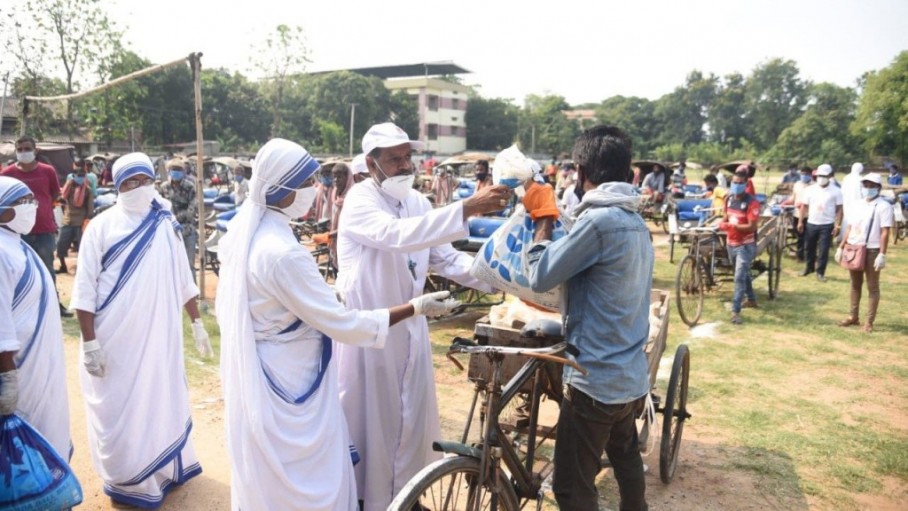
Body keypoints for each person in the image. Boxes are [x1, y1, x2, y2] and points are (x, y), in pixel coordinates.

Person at [215, 138, 458, 511]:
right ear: (284, 189)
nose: (316, 188)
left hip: (272, 365)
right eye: (309, 181)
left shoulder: (251, 235)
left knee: (279, 472)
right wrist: (415, 307)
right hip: (291, 377)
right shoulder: (282, 254)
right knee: (308, 476)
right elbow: (344, 324)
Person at [335, 122, 510, 510]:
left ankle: (404, 495)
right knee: (370, 426)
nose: (404, 165)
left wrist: (500, 279)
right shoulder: (360, 200)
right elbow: (396, 235)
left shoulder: (417, 202)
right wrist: (465, 207)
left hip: (412, 329)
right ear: (371, 163)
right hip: (371, 332)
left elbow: (444, 256)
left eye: (407, 156)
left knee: (410, 422)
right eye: (394, 159)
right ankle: (366, 500)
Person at [70, 152, 212, 509]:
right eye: (129, 183)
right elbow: (84, 290)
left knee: (159, 397)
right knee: (119, 407)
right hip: (114, 340)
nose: (138, 188)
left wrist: (197, 323)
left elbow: (183, 279)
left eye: (144, 180)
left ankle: (162, 470)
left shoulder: (165, 224)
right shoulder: (102, 227)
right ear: (117, 186)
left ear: (153, 181)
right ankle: (128, 477)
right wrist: (89, 343)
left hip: (160, 338)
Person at [526, 125, 651, 511]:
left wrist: (543, 220)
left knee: (573, 489)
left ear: (580, 173)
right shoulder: (636, 223)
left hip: (594, 380)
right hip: (629, 375)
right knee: (627, 459)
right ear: (629, 174)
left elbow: (541, 276)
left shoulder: (599, 222)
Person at [0, 176, 72, 461]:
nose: (31, 206)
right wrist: (7, 376)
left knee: (46, 428)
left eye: (32, 200)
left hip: (41, 365)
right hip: (21, 367)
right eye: (23, 202)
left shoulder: (17, 244)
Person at [1, 136, 72, 318]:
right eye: (20, 149)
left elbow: (55, 194)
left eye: (27, 148)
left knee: (47, 269)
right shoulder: (7, 174)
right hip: (16, 233)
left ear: (36, 151)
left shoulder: (47, 171)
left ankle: (53, 305)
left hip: (44, 230)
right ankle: (18, 307)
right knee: (17, 271)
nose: (24, 152)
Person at [835, 173, 892, 334]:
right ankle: (853, 316)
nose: (868, 189)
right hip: (855, 247)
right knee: (854, 284)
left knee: (872, 287)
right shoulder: (857, 205)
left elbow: (884, 231)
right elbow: (850, 227)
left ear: (878, 188)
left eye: (872, 186)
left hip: (872, 249)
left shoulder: (883, 206)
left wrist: (882, 253)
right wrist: (841, 246)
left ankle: (869, 321)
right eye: (866, 185)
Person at [718, 173, 761, 324]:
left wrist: (733, 226)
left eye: (740, 183)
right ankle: (752, 299)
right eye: (734, 182)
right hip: (731, 243)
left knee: (738, 277)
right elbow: (725, 217)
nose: (736, 185)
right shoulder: (728, 199)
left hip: (745, 245)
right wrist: (721, 224)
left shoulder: (752, 203)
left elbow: (752, 226)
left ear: (746, 184)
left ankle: (735, 311)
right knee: (742, 274)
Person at [797, 163, 843, 282]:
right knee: (809, 247)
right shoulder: (810, 190)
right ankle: (809, 267)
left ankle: (820, 272)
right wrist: (800, 221)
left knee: (823, 250)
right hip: (812, 222)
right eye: (819, 175)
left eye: (824, 175)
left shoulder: (836, 191)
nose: (821, 178)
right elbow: (804, 206)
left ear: (830, 176)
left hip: (827, 224)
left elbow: (839, 209)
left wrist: (838, 225)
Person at [158, 158, 200, 283]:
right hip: (168, 232)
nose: (176, 172)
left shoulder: (189, 187)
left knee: (189, 264)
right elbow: (160, 207)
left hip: (187, 230)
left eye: (178, 170)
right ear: (168, 171)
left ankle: (193, 297)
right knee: (169, 265)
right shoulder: (164, 188)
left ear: (183, 172)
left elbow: (192, 210)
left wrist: (175, 219)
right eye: (173, 170)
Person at [55, 163, 95, 274]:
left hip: (80, 222)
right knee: (61, 245)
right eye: (79, 175)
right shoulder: (67, 188)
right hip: (68, 220)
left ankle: (83, 269)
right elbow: (61, 200)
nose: (81, 178)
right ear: (74, 175)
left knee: (83, 247)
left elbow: (90, 208)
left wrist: (87, 221)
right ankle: (63, 266)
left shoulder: (87, 190)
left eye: (83, 175)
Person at [841, 162, 865, 242]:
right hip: (857, 201)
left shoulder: (846, 177)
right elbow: (863, 192)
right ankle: (853, 235)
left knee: (846, 218)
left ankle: (843, 236)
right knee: (855, 219)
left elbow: (842, 190)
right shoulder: (861, 179)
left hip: (846, 201)